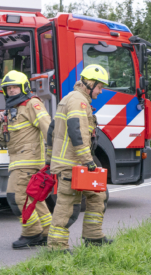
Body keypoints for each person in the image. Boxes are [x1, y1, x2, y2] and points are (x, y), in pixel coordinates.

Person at [47, 64, 111, 252]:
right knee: (68, 206)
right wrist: (87, 160)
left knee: (99, 195)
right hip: (72, 164)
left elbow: (52, 129)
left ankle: (94, 237)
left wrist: (49, 158)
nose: (100, 92)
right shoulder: (78, 101)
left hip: (75, 163)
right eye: (99, 87)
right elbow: (77, 131)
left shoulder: (72, 98)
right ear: (89, 83)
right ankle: (57, 248)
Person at [0, 71, 53, 249]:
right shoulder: (14, 109)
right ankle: (46, 232)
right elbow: (5, 138)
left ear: (24, 88)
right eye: (8, 88)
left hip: (27, 160)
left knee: (15, 196)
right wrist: (0, 122)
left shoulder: (32, 104)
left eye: (14, 87)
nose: (11, 91)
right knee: (34, 198)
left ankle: (31, 233)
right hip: (19, 159)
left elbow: (48, 128)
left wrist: (52, 157)